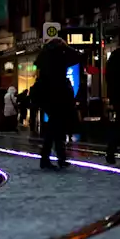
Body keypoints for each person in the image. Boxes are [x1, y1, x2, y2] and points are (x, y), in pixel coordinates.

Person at [35, 40, 79, 169]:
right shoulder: (61, 56)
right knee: (56, 128)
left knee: (55, 128)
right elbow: (77, 57)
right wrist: (66, 47)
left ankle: (56, 158)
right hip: (59, 96)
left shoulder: (44, 56)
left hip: (47, 97)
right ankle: (51, 159)